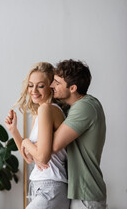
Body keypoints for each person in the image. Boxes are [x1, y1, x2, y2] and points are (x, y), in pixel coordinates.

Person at [5, 62, 70, 209]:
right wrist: (14, 130)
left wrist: (27, 142)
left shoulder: (47, 109)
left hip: (51, 187)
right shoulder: (39, 112)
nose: (34, 90)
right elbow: (30, 159)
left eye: (40, 85)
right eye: (30, 85)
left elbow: (42, 157)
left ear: (51, 87)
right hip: (38, 186)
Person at [49, 59, 107, 209]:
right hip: (79, 194)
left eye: (57, 82)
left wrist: (25, 143)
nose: (51, 86)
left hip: (86, 197)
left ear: (73, 88)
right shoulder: (74, 107)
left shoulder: (85, 107)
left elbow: (53, 145)